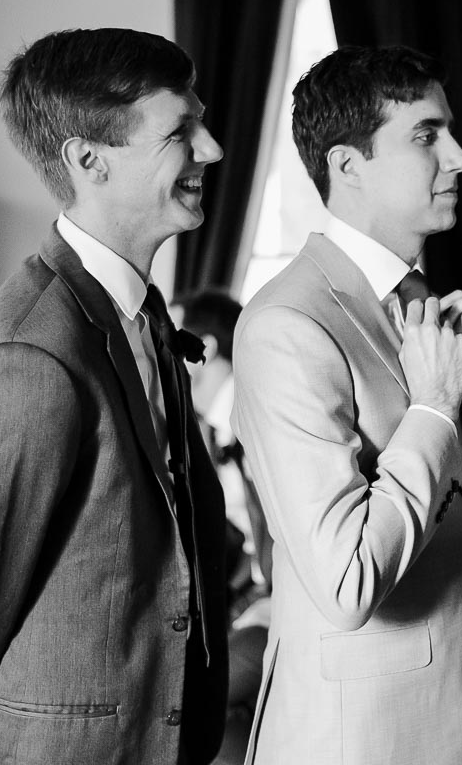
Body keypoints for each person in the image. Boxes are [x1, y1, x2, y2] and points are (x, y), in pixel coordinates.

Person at [0, 28, 229, 765]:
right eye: (181, 130)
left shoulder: (143, 315)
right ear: (88, 160)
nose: (211, 149)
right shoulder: (25, 356)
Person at [231, 44, 462, 765]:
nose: (461, 158)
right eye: (427, 136)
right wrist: (434, 407)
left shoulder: (425, 305)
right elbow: (347, 582)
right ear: (348, 167)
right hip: (363, 740)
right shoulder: (287, 326)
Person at [178, 288, 273, 765]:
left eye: (169, 337)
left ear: (204, 349)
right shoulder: (202, 427)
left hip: (284, 604)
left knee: (189, 709)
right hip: (238, 597)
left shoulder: (255, 412)